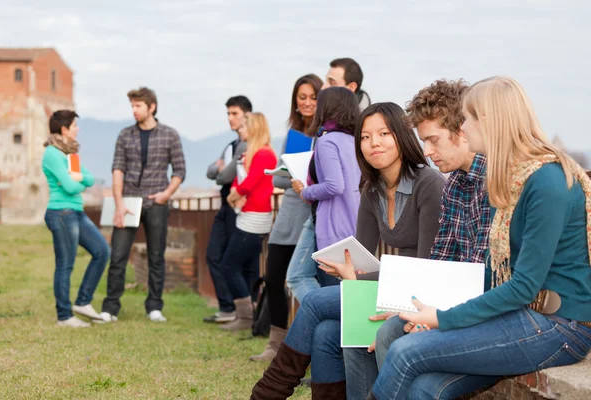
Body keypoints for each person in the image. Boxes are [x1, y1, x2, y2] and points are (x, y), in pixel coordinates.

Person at [368, 76, 591, 400]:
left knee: (406, 352)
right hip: (526, 316)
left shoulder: (547, 181)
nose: (464, 126)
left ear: (489, 122)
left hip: (561, 327)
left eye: (469, 117)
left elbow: (522, 287)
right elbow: (492, 273)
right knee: (424, 388)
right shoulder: (514, 178)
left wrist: (442, 318)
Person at [250, 102, 445, 399]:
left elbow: (428, 263)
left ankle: (268, 393)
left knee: (315, 302)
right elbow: (362, 256)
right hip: (390, 284)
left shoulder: (428, 183)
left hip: (420, 293)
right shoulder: (371, 188)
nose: (373, 143)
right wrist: (349, 270)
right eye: (365, 137)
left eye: (383, 133)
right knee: (326, 332)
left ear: (402, 137)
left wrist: (374, 282)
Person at [344, 79, 497, 399]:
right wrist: (415, 308)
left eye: (433, 140)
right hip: (435, 296)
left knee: (378, 331)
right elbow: (443, 261)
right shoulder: (456, 183)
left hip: (472, 308)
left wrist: (431, 315)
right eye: (366, 137)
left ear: (463, 130)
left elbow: (487, 275)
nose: (427, 151)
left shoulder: (482, 181)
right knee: (354, 329)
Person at [250, 74, 323, 362]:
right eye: (301, 97)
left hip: (314, 214)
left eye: (312, 97)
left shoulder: (326, 135)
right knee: (273, 277)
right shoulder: (292, 134)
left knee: (308, 281)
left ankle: (313, 349)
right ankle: (275, 345)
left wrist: (304, 175)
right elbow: (277, 182)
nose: (306, 103)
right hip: (288, 214)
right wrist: (291, 172)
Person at [100, 87, 186, 323]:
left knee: (156, 256)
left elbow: (179, 171)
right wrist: (118, 204)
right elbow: (118, 169)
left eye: (138, 106)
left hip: (156, 203)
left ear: (152, 107)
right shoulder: (125, 135)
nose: (134, 110)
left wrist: (165, 195)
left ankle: (154, 307)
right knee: (118, 256)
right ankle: (110, 308)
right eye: (132, 106)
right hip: (127, 201)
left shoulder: (170, 135)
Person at [42, 110, 110, 328]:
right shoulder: (52, 153)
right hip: (61, 213)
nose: (78, 129)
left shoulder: (69, 154)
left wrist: (79, 179)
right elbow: (73, 186)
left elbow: (89, 177)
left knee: (102, 251)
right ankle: (64, 316)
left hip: (76, 212)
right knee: (65, 264)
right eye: (74, 126)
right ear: (64, 129)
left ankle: (83, 302)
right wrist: (79, 181)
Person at [291, 87, 362, 289]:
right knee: (348, 291)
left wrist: (306, 192)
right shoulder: (353, 140)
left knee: (329, 292)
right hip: (354, 221)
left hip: (333, 227)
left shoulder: (327, 141)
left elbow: (335, 185)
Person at [219, 112, 278, 331]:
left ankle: (245, 316)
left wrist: (233, 195)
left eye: (244, 126)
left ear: (254, 128)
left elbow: (247, 184)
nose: (240, 130)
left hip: (255, 217)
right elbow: (239, 180)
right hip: (247, 214)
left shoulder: (264, 154)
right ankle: (246, 314)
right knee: (243, 266)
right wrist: (235, 193)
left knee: (229, 265)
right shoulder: (252, 153)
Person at [204, 95, 252, 324]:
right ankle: (227, 308)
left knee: (235, 262)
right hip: (226, 207)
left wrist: (220, 169)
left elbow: (223, 174)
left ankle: (239, 310)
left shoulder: (247, 144)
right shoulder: (232, 145)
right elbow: (210, 171)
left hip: (240, 209)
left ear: (246, 116)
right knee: (213, 255)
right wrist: (219, 169)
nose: (230, 119)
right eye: (228, 114)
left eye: (235, 114)